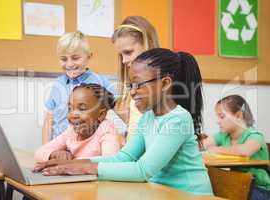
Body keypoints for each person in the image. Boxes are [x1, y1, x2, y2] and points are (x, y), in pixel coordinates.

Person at [34, 48, 213, 195]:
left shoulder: (178, 119)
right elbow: (124, 157)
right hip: (161, 193)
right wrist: (73, 164)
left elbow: (143, 170)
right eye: (130, 86)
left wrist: (85, 169)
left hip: (189, 195)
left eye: (138, 84)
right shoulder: (148, 117)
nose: (132, 92)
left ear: (165, 83)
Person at [42, 31, 115, 144]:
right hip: (60, 145)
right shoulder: (57, 85)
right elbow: (49, 120)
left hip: (89, 147)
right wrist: (46, 147)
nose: (69, 64)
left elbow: (122, 110)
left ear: (89, 56)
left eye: (75, 58)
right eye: (63, 59)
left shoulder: (101, 82)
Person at [203, 94, 270, 200]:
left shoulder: (255, 136)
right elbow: (203, 146)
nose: (218, 121)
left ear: (238, 116)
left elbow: (245, 151)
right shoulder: (224, 135)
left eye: (221, 116)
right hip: (237, 185)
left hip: (260, 189)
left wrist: (217, 150)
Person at [36, 83, 123, 162]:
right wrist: (53, 154)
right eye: (70, 109)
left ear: (101, 115)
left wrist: (73, 162)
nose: (73, 115)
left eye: (82, 109)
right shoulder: (71, 131)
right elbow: (39, 152)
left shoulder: (107, 133)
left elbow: (110, 162)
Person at [112, 16, 160, 139]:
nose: (123, 60)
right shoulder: (135, 88)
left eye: (128, 52)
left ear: (148, 43)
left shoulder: (162, 87)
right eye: (121, 55)